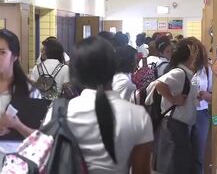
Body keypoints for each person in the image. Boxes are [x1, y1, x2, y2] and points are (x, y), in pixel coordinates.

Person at [44, 36, 153, 174]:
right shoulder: (138, 116)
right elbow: (141, 170)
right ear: (113, 67)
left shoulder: (59, 111)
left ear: (75, 73)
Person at [0, 29, 39, 173]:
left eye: (2, 52)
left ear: (14, 56)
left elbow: (41, 138)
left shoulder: (31, 91)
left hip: (18, 168)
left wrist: (17, 125)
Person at [149, 39, 198, 174]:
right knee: (173, 165)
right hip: (174, 125)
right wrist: (173, 99)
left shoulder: (186, 73)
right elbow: (159, 84)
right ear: (188, 57)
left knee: (178, 164)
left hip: (179, 125)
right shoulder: (179, 72)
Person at [189, 37, 212, 174]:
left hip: (201, 114)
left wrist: (208, 96)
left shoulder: (207, 70)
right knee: (183, 154)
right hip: (183, 114)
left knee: (198, 156)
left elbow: (216, 95)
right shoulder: (180, 68)